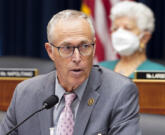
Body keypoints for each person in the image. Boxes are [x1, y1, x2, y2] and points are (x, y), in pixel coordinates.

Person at [0, 10, 141, 135]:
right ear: (50, 51)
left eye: (85, 46)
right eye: (67, 48)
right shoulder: (25, 93)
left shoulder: (119, 92)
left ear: (94, 46)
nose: (77, 58)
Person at [99, 1, 165, 79]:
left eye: (127, 28)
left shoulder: (160, 73)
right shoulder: (100, 69)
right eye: (115, 29)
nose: (119, 33)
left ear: (145, 37)